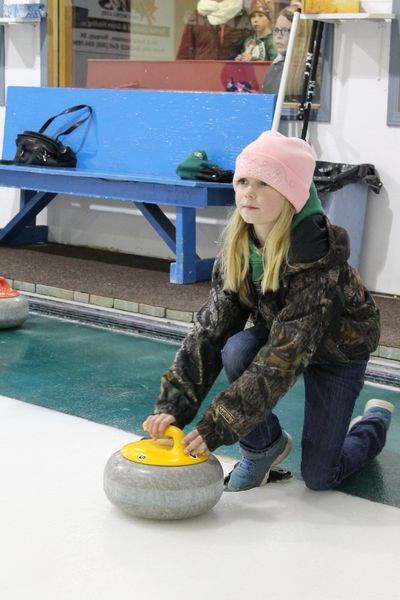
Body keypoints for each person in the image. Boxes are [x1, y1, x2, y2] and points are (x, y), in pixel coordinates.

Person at [144, 131, 394, 493]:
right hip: (283, 332)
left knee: (321, 476)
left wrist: (219, 423)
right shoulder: (240, 246)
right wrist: (174, 404)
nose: (249, 192)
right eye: (243, 181)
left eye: (264, 184)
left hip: (337, 351)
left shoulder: (317, 258)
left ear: (290, 194)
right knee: (236, 349)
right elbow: (209, 332)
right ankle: (263, 446)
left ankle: (373, 422)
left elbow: (283, 358)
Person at [261, 4, 313, 100]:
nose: (278, 36)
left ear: (300, 34)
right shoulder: (276, 66)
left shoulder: (310, 70)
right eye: (276, 30)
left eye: (285, 31)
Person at [177, 0, 252, 60]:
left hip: (233, 76)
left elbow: (253, 51)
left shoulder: (244, 17)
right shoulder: (197, 15)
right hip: (201, 75)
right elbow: (184, 53)